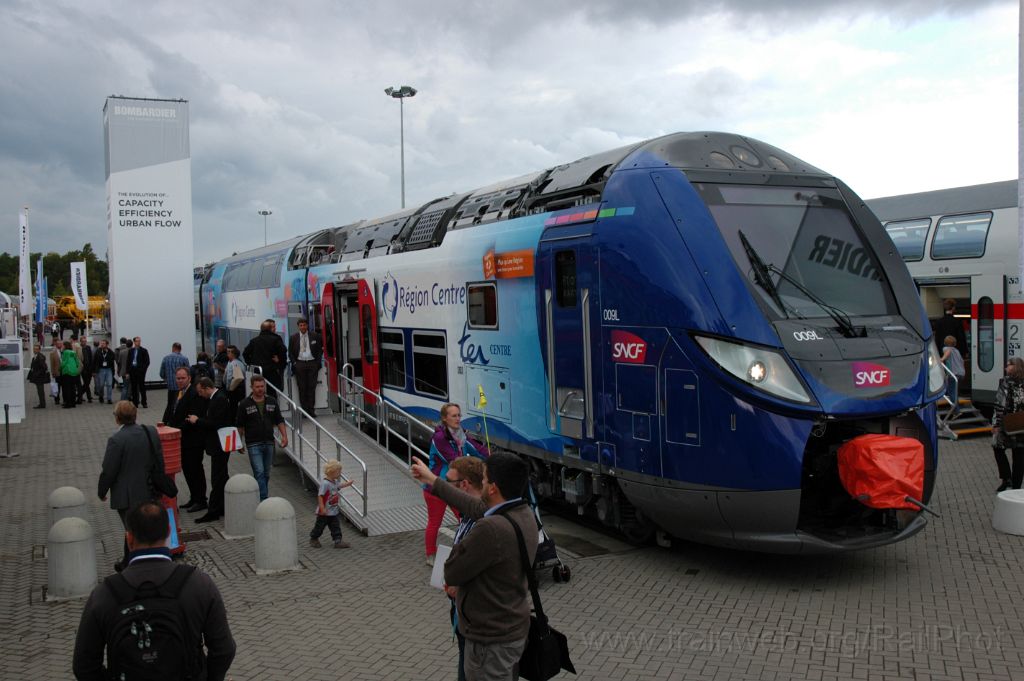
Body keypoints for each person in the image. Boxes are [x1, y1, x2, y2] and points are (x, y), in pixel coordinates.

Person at [71, 500, 236, 681]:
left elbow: (83, 665)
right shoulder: (199, 584)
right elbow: (224, 650)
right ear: (168, 532)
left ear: (129, 538)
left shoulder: (104, 594)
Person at [411, 452, 538, 681]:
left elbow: (451, 571)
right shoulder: (523, 514)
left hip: (489, 641)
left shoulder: (490, 529)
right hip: (513, 628)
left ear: (492, 488)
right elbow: (473, 505)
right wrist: (432, 480)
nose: (483, 483)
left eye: (486, 479)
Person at [97, 401, 167, 569]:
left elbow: (109, 470)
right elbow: (159, 459)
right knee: (146, 526)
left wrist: (102, 490)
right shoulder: (150, 431)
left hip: (127, 494)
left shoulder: (116, 439)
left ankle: (132, 563)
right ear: (136, 415)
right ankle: (134, 560)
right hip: (150, 489)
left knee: (131, 528)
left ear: (117, 418)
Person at [423, 403, 490, 566]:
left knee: (466, 518)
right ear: (444, 419)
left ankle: (466, 549)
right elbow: (455, 460)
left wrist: (490, 456)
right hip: (436, 488)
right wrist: (476, 465)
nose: (458, 419)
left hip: (456, 487)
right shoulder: (439, 438)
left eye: (459, 415)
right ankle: (430, 555)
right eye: (454, 416)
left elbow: (474, 447)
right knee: (435, 522)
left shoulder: (460, 434)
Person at [442, 456, 486, 681]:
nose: (445, 485)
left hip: (473, 612)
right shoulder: (468, 515)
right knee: (464, 660)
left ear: (465, 484)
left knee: (470, 669)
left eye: (448, 481)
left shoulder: (484, 522)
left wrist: (460, 586)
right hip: (460, 607)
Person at [236, 375, 288, 501]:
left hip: (269, 442)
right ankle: (263, 498)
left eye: (262, 386)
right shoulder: (244, 404)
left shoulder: (272, 401)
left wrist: (284, 436)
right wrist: (239, 442)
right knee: (259, 471)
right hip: (253, 443)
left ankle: (259, 493)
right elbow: (240, 425)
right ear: (251, 387)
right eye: (257, 387)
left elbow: (279, 420)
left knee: (266, 473)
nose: (260, 389)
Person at [187, 377, 232, 523]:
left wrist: (197, 420)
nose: (200, 395)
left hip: (219, 444)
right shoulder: (217, 398)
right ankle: (223, 506)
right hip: (219, 444)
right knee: (222, 476)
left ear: (207, 388)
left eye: (201, 392)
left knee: (217, 478)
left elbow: (215, 423)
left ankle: (213, 511)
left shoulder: (219, 399)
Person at [170, 367, 209, 512]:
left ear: (189, 379)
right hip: (181, 440)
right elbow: (171, 410)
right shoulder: (177, 392)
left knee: (195, 469)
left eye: (182, 378)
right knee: (187, 469)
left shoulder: (194, 393)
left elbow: (192, 417)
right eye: (178, 378)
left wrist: (177, 430)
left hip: (193, 440)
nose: (179, 381)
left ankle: (201, 500)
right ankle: (193, 497)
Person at [993, 357, 1024, 492]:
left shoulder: (1005, 382)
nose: (1006, 367)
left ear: (1015, 367)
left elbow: (1000, 404)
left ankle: (1008, 480)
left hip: (1009, 423)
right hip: (1020, 424)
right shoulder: (1007, 381)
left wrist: (996, 424)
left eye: (1008, 365)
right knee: (1018, 455)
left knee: (999, 448)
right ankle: (1015, 485)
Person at [308, 459, 353, 549]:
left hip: (333, 511)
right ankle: (314, 538)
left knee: (335, 526)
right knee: (319, 526)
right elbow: (320, 496)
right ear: (332, 472)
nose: (340, 473)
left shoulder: (334, 482)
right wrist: (322, 507)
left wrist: (348, 484)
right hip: (324, 512)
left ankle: (338, 541)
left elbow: (339, 485)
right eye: (338, 471)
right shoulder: (325, 484)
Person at [288, 318, 323, 414]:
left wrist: (317, 363)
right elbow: (290, 352)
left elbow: (320, 350)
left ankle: (311, 410)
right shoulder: (293, 337)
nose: (303, 327)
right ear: (298, 326)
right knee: (302, 388)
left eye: (304, 325)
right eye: (301, 325)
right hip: (299, 364)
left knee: (312, 387)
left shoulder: (315, 336)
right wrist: (294, 363)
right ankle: (304, 411)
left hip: (312, 364)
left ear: (307, 325)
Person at [242, 319, 287, 393]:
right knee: (272, 393)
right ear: (270, 329)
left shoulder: (254, 340)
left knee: (258, 392)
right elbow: (283, 351)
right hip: (271, 371)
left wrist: (251, 363)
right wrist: (280, 362)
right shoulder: (275, 339)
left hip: (258, 372)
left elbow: (245, 353)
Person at [159, 342, 191, 423]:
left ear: (173, 348)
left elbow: (161, 373)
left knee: (170, 405)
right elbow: (188, 372)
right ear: (180, 349)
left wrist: (167, 379)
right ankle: (175, 421)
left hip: (170, 387)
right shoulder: (184, 359)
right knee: (179, 405)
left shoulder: (166, 358)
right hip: (181, 388)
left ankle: (165, 422)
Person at [940, 335, 965, 413]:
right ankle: (955, 408)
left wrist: (941, 359)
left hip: (954, 374)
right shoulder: (957, 351)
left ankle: (956, 411)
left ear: (945, 342)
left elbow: (948, 352)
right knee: (952, 390)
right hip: (961, 373)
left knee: (951, 391)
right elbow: (962, 361)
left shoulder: (946, 348)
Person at [127, 336, 151, 408]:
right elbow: (128, 361)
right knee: (134, 388)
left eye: (139, 341)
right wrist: (128, 371)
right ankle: (135, 403)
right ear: (134, 342)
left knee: (142, 387)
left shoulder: (144, 351)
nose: (138, 342)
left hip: (140, 372)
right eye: (137, 341)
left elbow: (147, 362)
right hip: (133, 371)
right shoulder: (131, 351)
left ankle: (144, 402)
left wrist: (143, 370)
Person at [224, 344, 247, 414]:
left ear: (233, 353)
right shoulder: (232, 362)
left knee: (234, 409)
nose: (227, 354)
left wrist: (230, 389)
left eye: (228, 352)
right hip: (236, 390)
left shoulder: (235, 363)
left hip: (235, 391)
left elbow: (238, 377)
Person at [93, 339, 116, 404]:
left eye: (103, 343)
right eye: (101, 343)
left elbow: (114, 358)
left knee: (109, 384)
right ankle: (101, 396)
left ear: (107, 344)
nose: (102, 344)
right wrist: (94, 371)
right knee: (101, 384)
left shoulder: (110, 351)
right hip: (101, 369)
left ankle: (109, 398)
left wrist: (107, 352)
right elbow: (94, 361)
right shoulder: (98, 351)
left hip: (109, 369)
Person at [27, 343, 50, 409]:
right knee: (40, 391)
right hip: (38, 377)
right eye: (34, 349)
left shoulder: (40, 357)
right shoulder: (36, 356)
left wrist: (36, 374)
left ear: (39, 350)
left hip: (40, 377)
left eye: (36, 349)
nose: (35, 350)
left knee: (40, 391)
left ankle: (42, 404)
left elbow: (44, 367)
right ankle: (42, 403)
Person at [59, 341, 81, 408]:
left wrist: (60, 368)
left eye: (62, 345)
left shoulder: (65, 352)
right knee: (73, 388)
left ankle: (68, 403)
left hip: (67, 371)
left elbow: (64, 362)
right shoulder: (73, 352)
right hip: (74, 372)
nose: (62, 347)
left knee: (67, 388)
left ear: (65, 346)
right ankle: (73, 403)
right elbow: (77, 361)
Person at [77, 336, 94, 404]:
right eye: (83, 341)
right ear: (80, 341)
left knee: (87, 383)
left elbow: (90, 357)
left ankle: (79, 394)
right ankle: (89, 397)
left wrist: (91, 368)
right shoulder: (79, 348)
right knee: (86, 383)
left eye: (85, 341)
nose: (84, 342)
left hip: (89, 368)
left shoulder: (88, 347)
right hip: (83, 368)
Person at [114, 337, 131, 402]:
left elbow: (117, 361)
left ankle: (122, 400)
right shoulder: (131, 350)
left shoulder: (118, 350)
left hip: (123, 370)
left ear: (120, 342)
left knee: (125, 386)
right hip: (130, 371)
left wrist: (118, 370)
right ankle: (128, 398)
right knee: (130, 386)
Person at [48, 340, 63, 405]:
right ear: (56, 345)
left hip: (65, 372)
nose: (60, 345)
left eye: (60, 344)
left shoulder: (64, 351)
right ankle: (57, 399)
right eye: (58, 344)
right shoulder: (53, 353)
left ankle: (65, 399)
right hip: (57, 372)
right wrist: (53, 372)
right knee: (57, 387)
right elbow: (52, 364)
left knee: (64, 387)